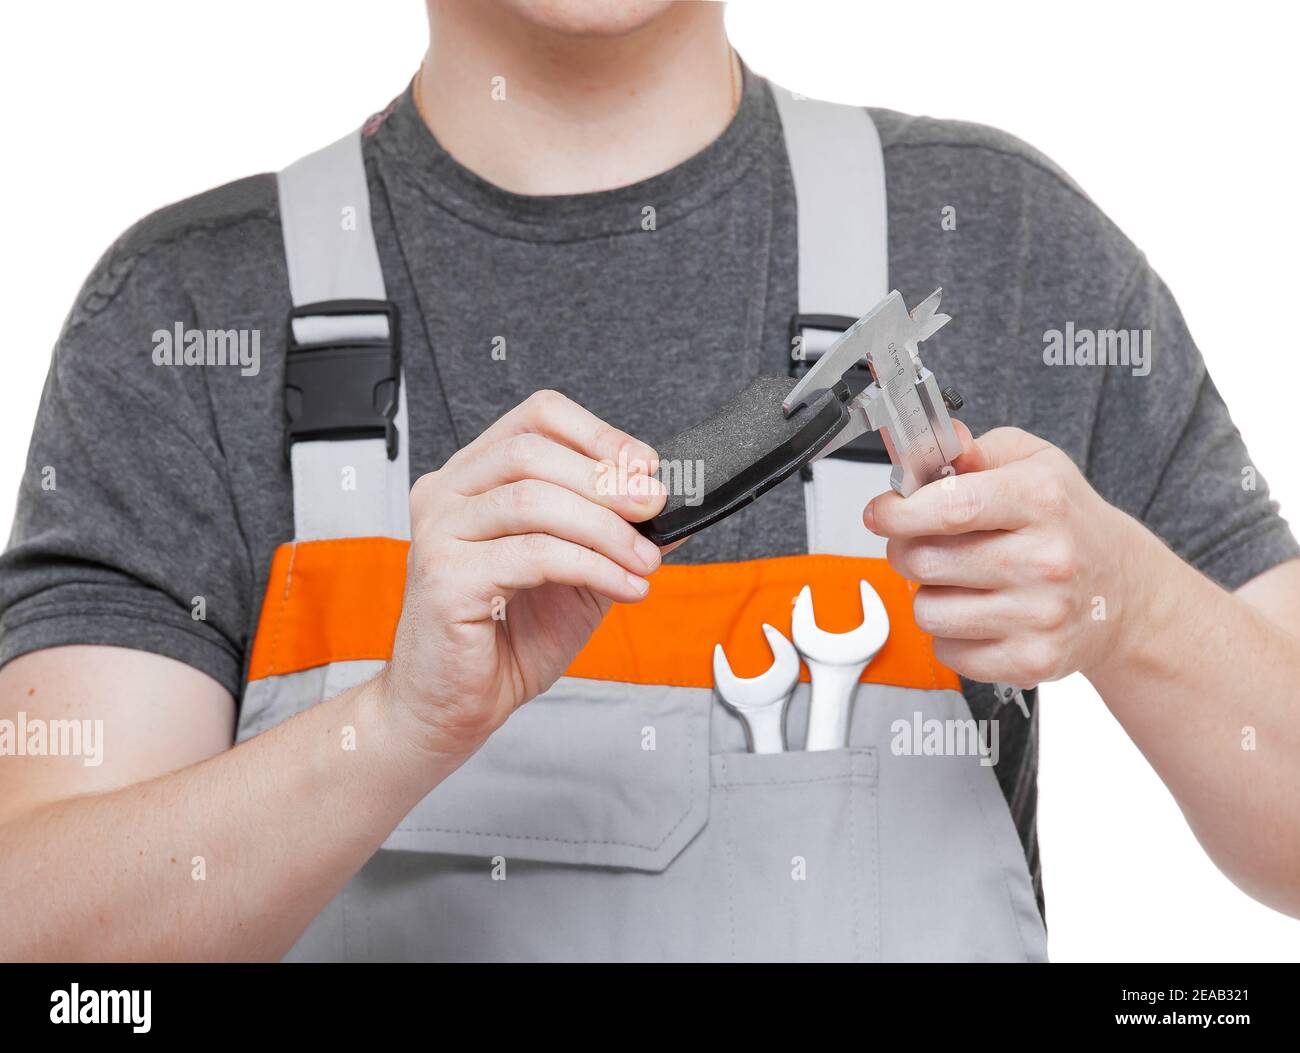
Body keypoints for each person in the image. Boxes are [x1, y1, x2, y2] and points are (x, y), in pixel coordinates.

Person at [1, 0, 1297, 962]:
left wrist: (1138, 607)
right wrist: (393, 728)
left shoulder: (1005, 240)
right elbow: (47, 945)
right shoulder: (188, 315)